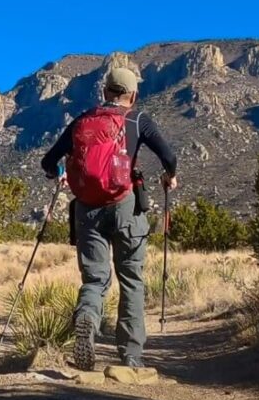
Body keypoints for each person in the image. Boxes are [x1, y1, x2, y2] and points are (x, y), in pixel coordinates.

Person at [41, 67, 178, 370]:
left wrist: (59, 173)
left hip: (87, 209)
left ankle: (88, 319)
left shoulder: (82, 121)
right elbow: (169, 156)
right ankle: (130, 355)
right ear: (133, 95)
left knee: (95, 279)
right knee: (131, 279)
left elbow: (48, 161)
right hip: (125, 207)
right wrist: (170, 177)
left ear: (104, 93)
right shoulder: (137, 119)